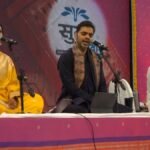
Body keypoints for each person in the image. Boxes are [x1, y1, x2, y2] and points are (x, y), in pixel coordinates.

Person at [54, 20, 107, 113]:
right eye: (84, 34)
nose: (87, 37)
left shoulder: (97, 59)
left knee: (121, 109)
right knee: (81, 110)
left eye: (90, 35)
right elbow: (70, 87)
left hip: (93, 103)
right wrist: (91, 100)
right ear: (75, 35)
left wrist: (103, 102)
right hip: (72, 101)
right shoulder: (66, 57)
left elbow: (102, 85)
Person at [0, 26, 44, 114]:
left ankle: (12, 115)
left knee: (36, 100)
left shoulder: (6, 59)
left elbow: (12, 84)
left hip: (6, 99)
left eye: (0, 31)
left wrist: (13, 97)